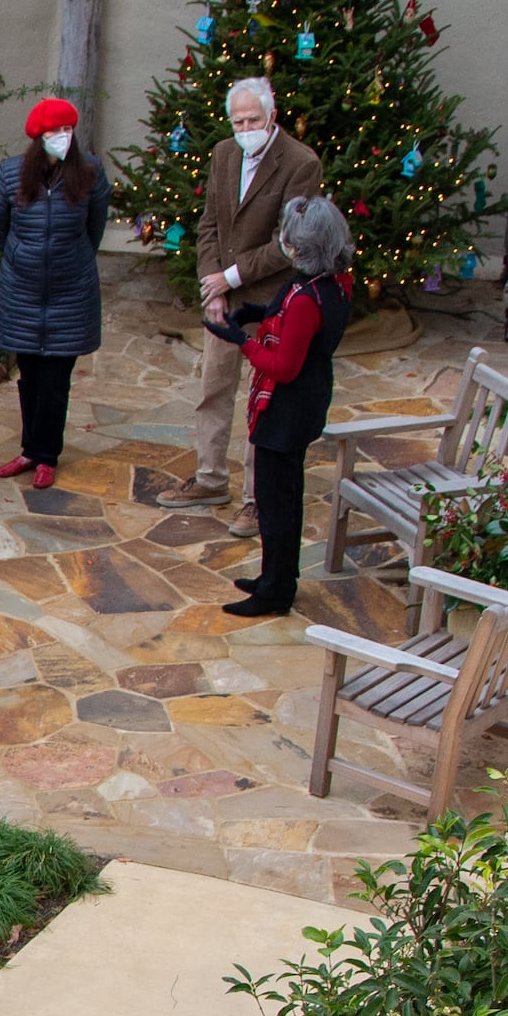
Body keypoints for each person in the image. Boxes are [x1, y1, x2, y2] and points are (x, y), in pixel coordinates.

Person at [150, 77, 324, 531]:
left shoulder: (301, 163)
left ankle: (257, 498)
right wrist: (213, 286)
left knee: (262, 401)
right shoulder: (224, 154)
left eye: (254, 120)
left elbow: (287, 243)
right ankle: (210, 478)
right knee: (213, 389)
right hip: (222, 298)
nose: (245, 128)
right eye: (238, 120)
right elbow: (209, 223)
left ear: (272, 117)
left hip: (271, 300)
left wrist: (229, 278)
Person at [203, 194, 357, 618]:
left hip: (288, 407)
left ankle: (275, 591)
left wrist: (242, 342)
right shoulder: (328, 282)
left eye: (289, 238)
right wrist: (254, 312)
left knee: (276, 502)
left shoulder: (308, 297)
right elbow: (284, 315)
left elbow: (284, 366)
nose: (284, 242)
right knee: (283, 497)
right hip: (304, 400)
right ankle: (277, 577)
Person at [0, 96, 108, 489]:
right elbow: (1, 231)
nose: (62, 137)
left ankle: (47, 454)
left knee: (56, 380)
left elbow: (95, 229)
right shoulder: (9, 174)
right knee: (30, 377)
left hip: (71, 295)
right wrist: (24, 259)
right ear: (38, 138)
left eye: (68, 130)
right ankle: (29, 448)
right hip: (22, 293)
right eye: (55, 131)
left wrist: (70, 261)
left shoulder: (90, 173)